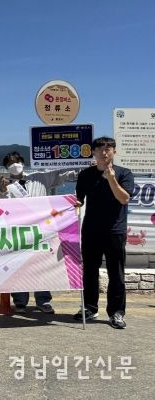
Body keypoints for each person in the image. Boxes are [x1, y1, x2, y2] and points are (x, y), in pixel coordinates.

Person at [0, 151, 79, 314]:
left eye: (16, 161)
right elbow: (1, 207)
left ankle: (43, 301)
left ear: (23, 162)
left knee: (42, 265)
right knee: (19, 266)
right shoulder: (5, 184)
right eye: (9, 163)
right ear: (6, 167)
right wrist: (2, 190)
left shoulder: (39, 177)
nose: (14, 165)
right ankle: (20, 301)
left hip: (42, 230)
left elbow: (64, 175)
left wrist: (85, 167)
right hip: (19, 230)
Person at [74, 137, 134, 329]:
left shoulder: (124, 173)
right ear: (93, 152)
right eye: (99, 149)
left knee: (116, 273)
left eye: (108, 149)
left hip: (115, 230)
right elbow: (78, 200)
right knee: (89, 271)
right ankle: (89, 308)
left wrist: (111, 179)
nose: (104, 153)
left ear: (114, 152)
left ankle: (116, 312)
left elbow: (124, 199)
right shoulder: (85, 175)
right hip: (91, 230)